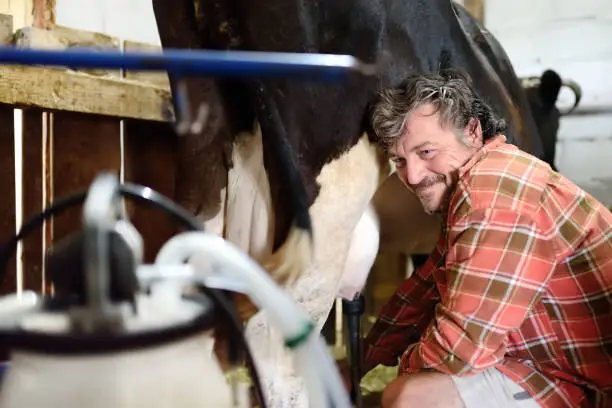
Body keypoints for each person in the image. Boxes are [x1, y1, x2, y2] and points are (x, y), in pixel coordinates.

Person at [352, 69, 612, 408]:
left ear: (472, 131)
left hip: (586, 385)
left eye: (427, 151)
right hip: (547, 364)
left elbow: (461, 348)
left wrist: (399, 374)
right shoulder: (476, 181)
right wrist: (360, 361)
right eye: (400, 160)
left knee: (412, 398)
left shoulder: (491, 194)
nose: (412, 176)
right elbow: (424, 291)